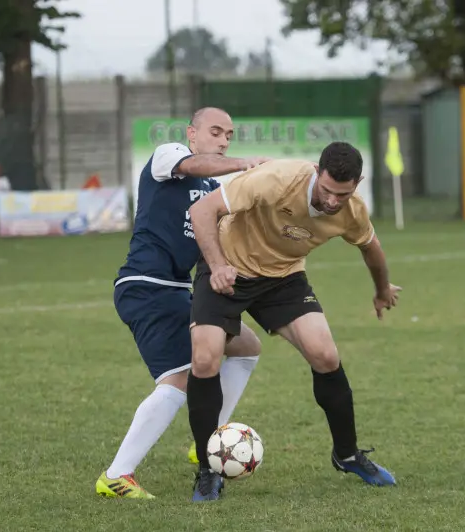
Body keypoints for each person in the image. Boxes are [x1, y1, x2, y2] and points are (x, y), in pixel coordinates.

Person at [185, 142, 401, 502]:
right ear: (317, 171)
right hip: (227, 266)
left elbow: (372, 248)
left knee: (325, 355)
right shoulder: (276, 178)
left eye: (343, 194)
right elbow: (202, 210)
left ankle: (347, 454)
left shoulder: (353, 211)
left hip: (282, 279)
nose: (333, 201)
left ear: (358, 183)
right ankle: (208, 472)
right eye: (328, 190)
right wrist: (219, 265)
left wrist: (381, 290)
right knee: (205, 358)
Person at [95, 107, 270, 500]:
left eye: (229, 134)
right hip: (147, 285)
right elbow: (195, 165)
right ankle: (117, 476)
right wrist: (243, 164)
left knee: (246, 347)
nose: (224, 139)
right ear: (192, 134)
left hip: (177, 291)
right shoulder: (167, 157)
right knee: (178, 379)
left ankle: (207, 441)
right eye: (215, 131)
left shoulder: (212, 190)